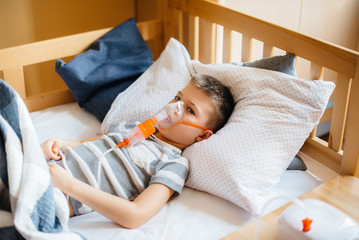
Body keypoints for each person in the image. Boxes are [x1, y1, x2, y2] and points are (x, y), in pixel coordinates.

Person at [42, 74, 235, 229]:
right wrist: (56, 143)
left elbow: (135, 215)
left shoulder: (173, 164)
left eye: (190, 110)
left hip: (57, 196)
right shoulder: (133, 126)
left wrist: (69, 185)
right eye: (178, 98)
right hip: (44, 167)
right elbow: (86, 144)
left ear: (202, 136)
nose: (175, 108)